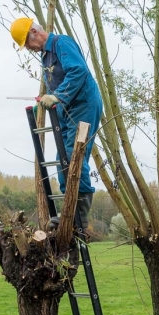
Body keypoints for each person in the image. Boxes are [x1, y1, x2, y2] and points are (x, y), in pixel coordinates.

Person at [10, 18, 102, 229]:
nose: (29, 49)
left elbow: (78, 71)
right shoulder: (46, 56)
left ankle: (80, 215)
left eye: (27, 43)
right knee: (62, 158)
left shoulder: (61, 43)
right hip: (68, 109)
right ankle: (69, 212)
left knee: (73, 155)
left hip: (84, 104)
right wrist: (43, 101)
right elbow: (55, 86)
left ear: (34, 32)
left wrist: (58, 95)